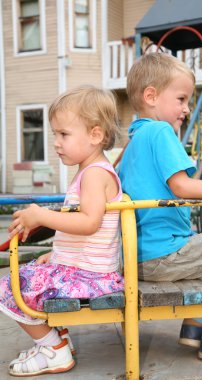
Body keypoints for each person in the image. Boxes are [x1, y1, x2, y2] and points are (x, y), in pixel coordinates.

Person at [119, 52, 202, 362]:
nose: (187, 108)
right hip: (161, 254)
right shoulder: (160, 131)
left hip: (141, 255)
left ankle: (195, 327)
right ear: (151, 96)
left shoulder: (134, 141)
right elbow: (182, 186)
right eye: (181, 98)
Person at [0, 85, 124, 376]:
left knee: (11, 286)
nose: (56, 142)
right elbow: (81, 232)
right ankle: (58, 338)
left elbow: (89, 222)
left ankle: (53, 349)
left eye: (64, 134)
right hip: (84, 269)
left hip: (92, 278)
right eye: (55, 134)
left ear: (95, 135)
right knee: (28, 273)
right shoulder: (88, 171)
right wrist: (55, 255)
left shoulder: (94, 174)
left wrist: (42, 214)